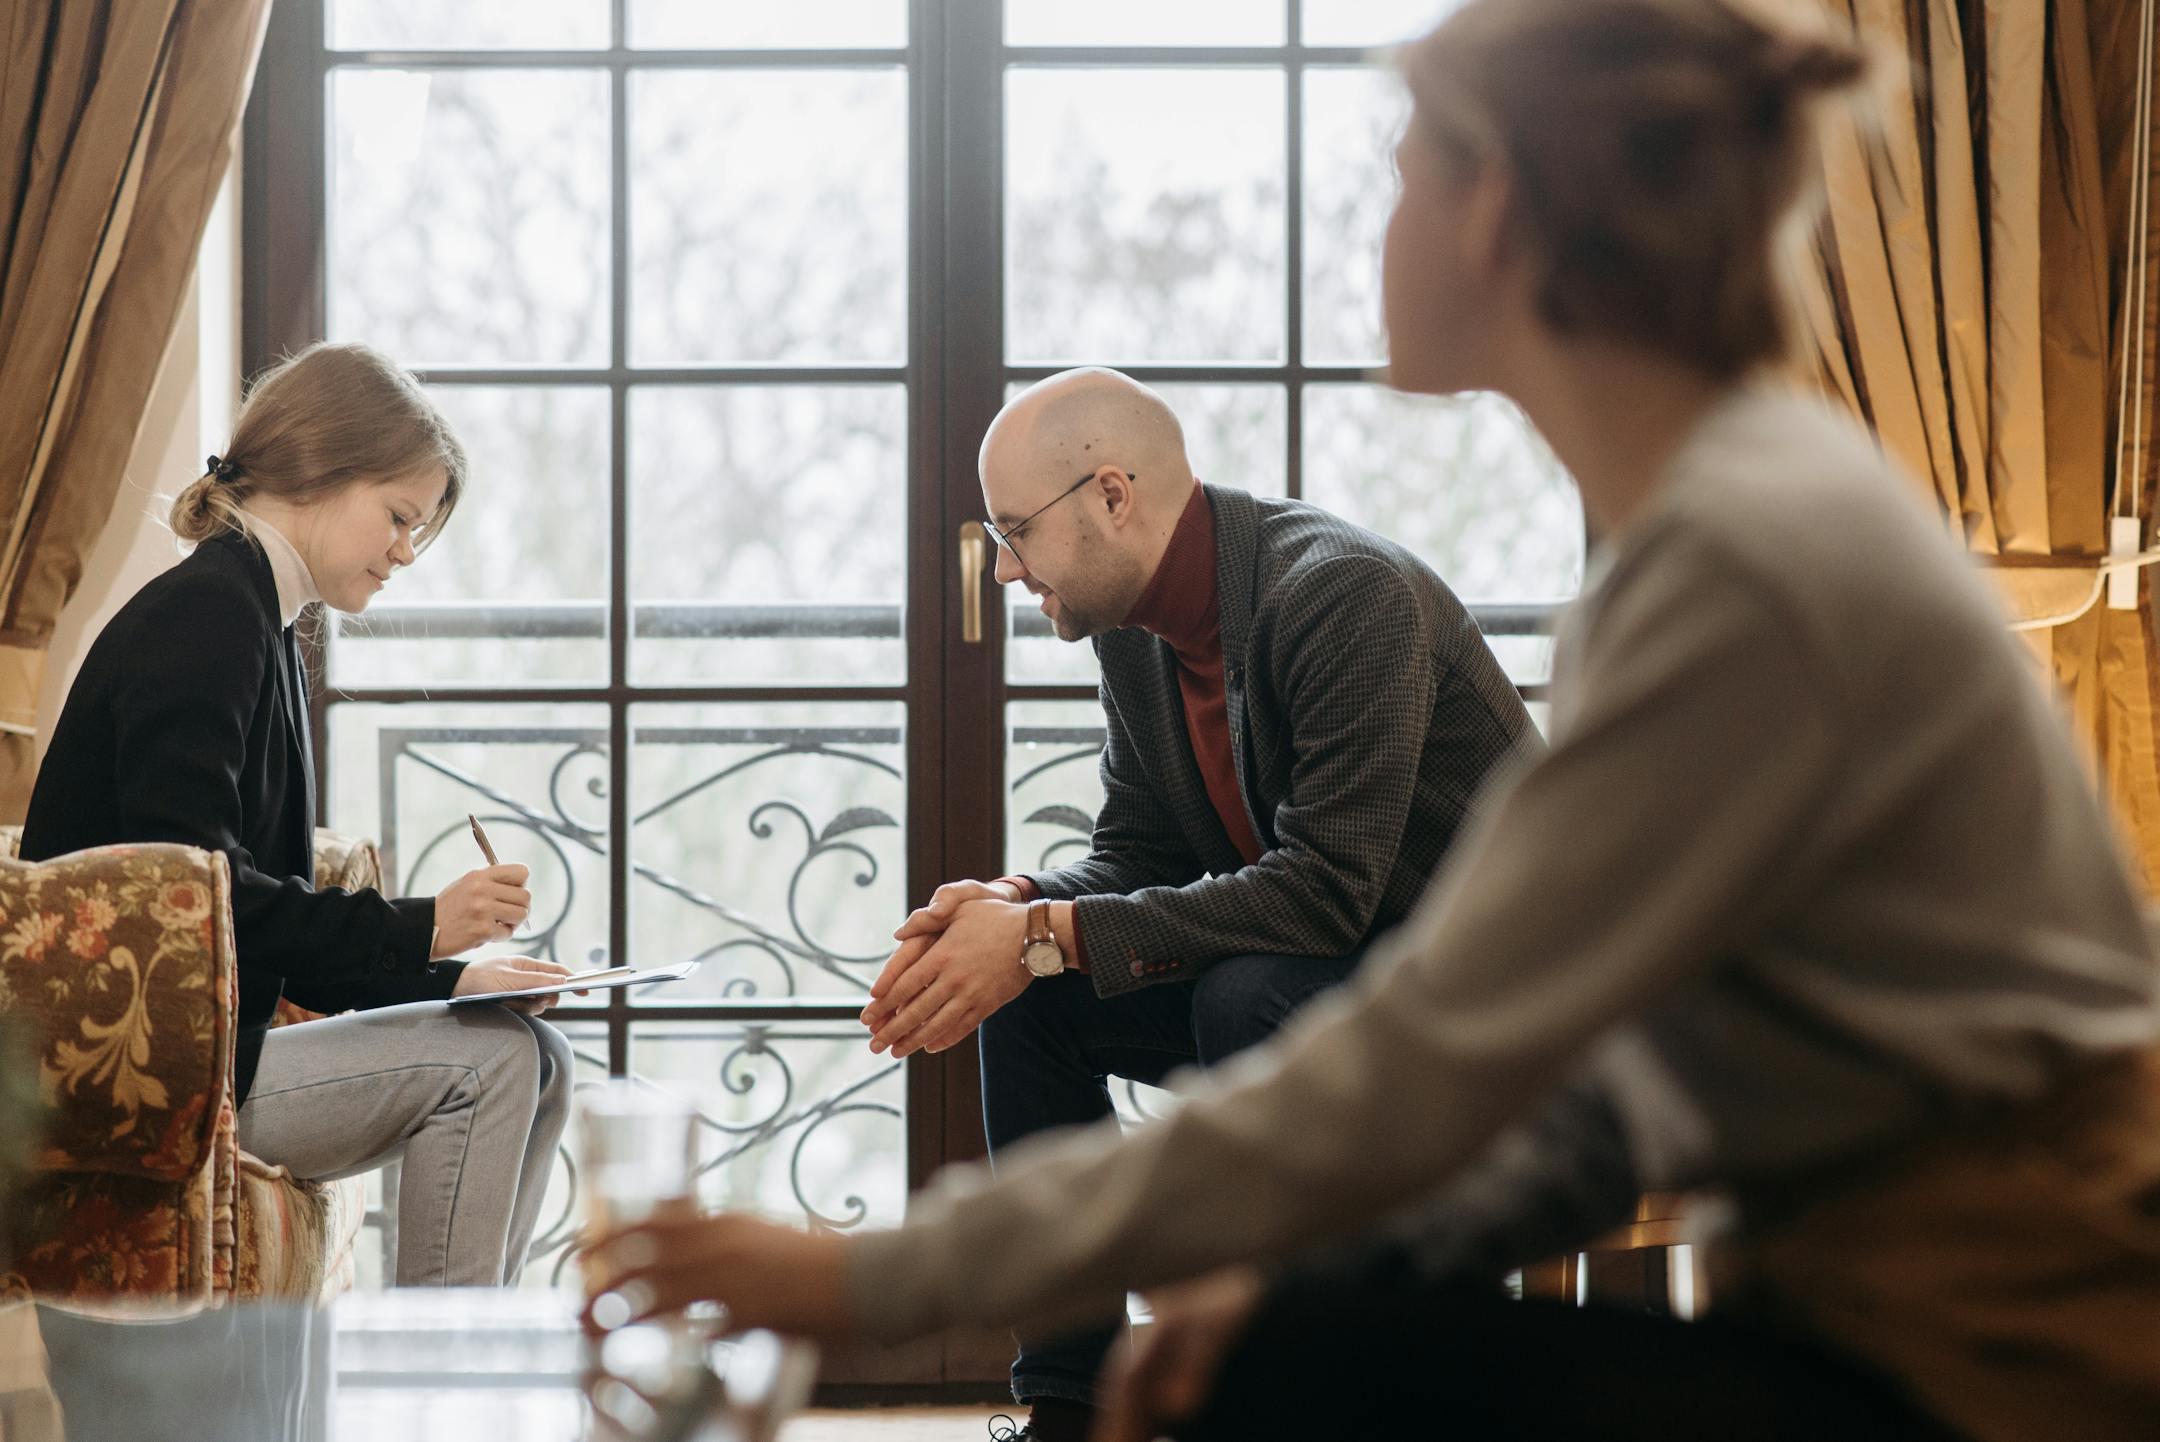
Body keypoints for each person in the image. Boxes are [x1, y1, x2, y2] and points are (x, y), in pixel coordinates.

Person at [585, 1, 2160, 1438]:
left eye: (1405, 173)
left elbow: (1422, 1047)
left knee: (1297, 1330)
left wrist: (872, 1275)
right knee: (1289, 1341)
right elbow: (1601, 1100)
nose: (1383, 222)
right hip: (1863, 1303)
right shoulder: (1720, 525)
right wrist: (1052, 948)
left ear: (1491, 210)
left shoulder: (1740, 566)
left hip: (1996, 1357)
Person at [856, 366, 1537, 1437]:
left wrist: (1045, 932)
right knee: (1034, 995)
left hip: (1473, 1012)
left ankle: (1295, 1389)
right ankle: (1070, 1410)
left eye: (1012, 530)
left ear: (1112, 496)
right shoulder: (1134, 631)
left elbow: (1326, 894)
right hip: (1318, 987)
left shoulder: (1344, 594)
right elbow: (1137, 850)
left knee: (1240, 995)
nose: (1003, 570)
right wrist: (1013, 904)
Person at [24, 342, 577, 1288]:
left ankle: (472, 1357)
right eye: (400, 517)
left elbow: (242, 908)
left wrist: (450, 975)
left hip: (197, 1041)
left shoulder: (255, 621)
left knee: (543, 1057)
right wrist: (424, 928)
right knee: (493, 1068)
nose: (406, 551)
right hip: (134, 1066)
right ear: (319, 470)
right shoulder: (208, 619)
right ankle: (437, 1397)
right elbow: (198, 897)